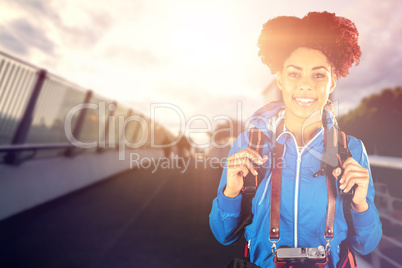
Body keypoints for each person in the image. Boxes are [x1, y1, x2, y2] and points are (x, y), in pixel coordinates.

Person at [209, 11, 382, 268]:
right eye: (294, 74)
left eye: (318, 74)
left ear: (333, 81)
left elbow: (366, 244)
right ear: (279, 78)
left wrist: (360, 204)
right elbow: (223, 235)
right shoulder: (248, 144)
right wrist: (231, 192)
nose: (305, 85)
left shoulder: (351, 149)